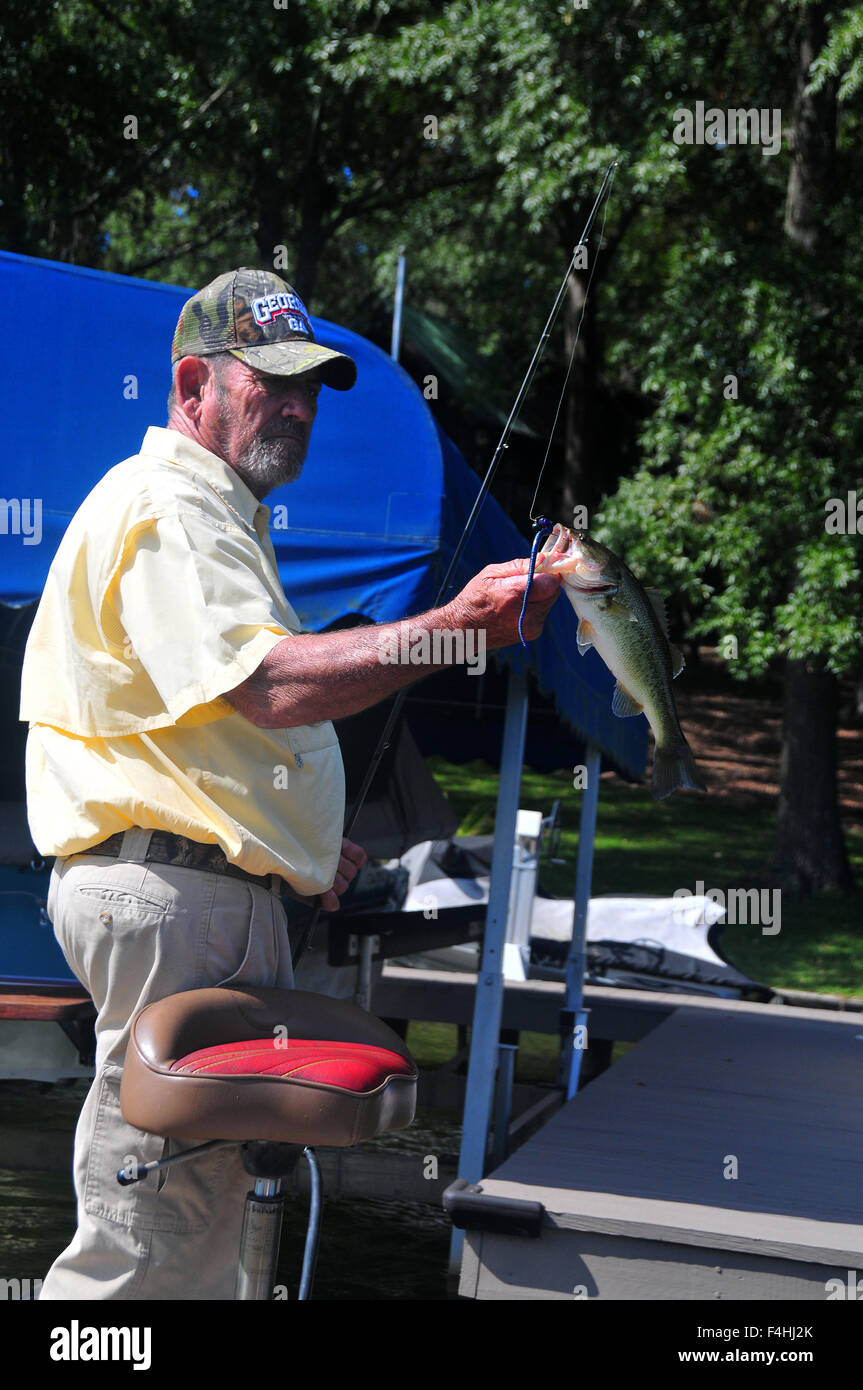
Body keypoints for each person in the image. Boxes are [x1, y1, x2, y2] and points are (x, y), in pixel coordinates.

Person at [19, 267, 561, 1300]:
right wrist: (459, 629)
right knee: (144, 1244)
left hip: (192, 899)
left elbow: (202, 722)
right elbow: (267, 686)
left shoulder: (208, 516)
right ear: (193, 384)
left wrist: (295, 848)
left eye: (311, 384)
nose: (300, 405)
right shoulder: (173, 506)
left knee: (191, 1229)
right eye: (272, 381)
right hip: (175, 906)